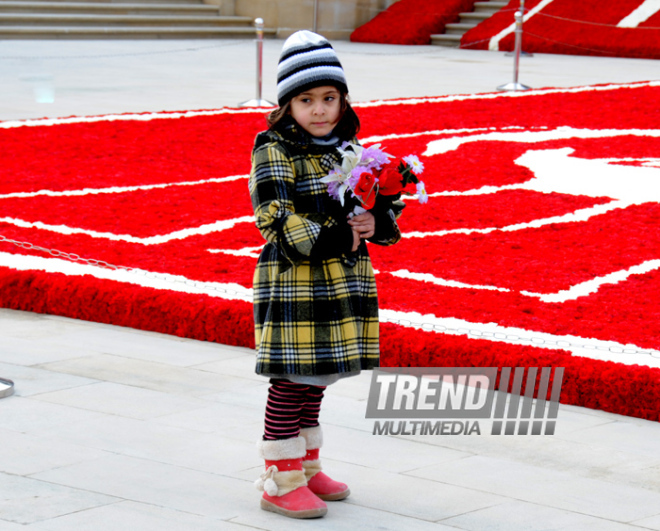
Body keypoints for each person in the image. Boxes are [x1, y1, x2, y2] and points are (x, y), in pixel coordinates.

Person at [249, 30, 402, 519]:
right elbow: (273, 216)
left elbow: (371, 203)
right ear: (287, 105)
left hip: (343, 280)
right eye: (306, 99)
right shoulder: (273, 149)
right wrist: (337, 235)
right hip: (298, 280)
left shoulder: (352, 148)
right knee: (292, 380)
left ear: (343, 100)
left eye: (328, 98)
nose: (319, 109)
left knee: (319, 379)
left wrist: (375, 221)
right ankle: (279, 479)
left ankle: (308, 468)